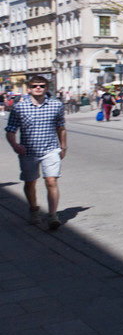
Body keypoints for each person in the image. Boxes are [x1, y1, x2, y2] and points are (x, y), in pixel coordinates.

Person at [5, 75, 67, 230]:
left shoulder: (56, 105)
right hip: (29, 151)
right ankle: (34, 210)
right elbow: (11, 130)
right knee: (30, 182)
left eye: (41, 85)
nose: (38, 88)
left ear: (46, 88)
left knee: (51, 181)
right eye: (34, 86)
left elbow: (61, 127)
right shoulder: (20, 107)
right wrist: (14, 144)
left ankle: (53, 216)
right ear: (29, 89)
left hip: (51, 149)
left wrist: (63, 146)